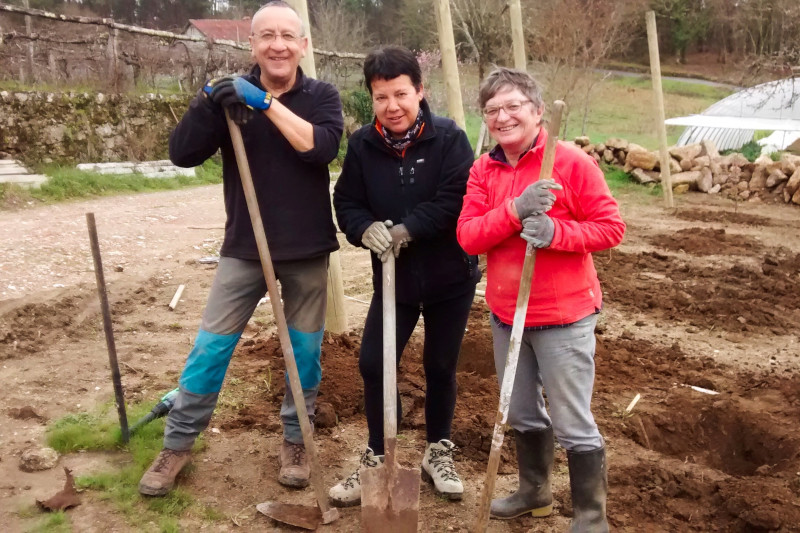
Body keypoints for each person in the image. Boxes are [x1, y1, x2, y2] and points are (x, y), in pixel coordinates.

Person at [138, 1, 344, 496]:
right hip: (244, 247)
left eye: (286, 36)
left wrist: (265, 104)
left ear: (302, 45)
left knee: (304, 352)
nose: (277, 44)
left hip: (306, 247)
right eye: (266, 35)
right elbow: (182, 155)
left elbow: (320, 147)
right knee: (211, 347)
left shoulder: (321, 96)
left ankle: (296, 440)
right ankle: (178, 445)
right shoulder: (229, 99)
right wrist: (207, 100)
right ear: (251, 44)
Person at [457, 67, 625, 532]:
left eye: (513, 106)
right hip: (507, 314)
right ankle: (535, 493)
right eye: (492, 109)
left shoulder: (569, 163)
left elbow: (611, 228)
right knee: (521, 411)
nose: (502, 116)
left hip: (563, 316)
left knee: (573, 420)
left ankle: (592, 518)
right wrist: (515, 211)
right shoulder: (483, 170)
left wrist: (556, 232)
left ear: (536, 110)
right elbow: (468, 237)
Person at [330, 46, 479, 506]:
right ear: (371, 99)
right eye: (380, 97)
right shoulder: (362, 145)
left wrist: (407, 227)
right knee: (374, 364)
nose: (391, 106)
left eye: (400, 94)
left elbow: (457, 196)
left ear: (420, 92)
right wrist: (363, 228)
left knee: (439, 366)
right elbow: (347, 202)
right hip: (393, 281)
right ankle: (378, 454)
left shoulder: (450, 138)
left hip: (449, 278)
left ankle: (438, 450)